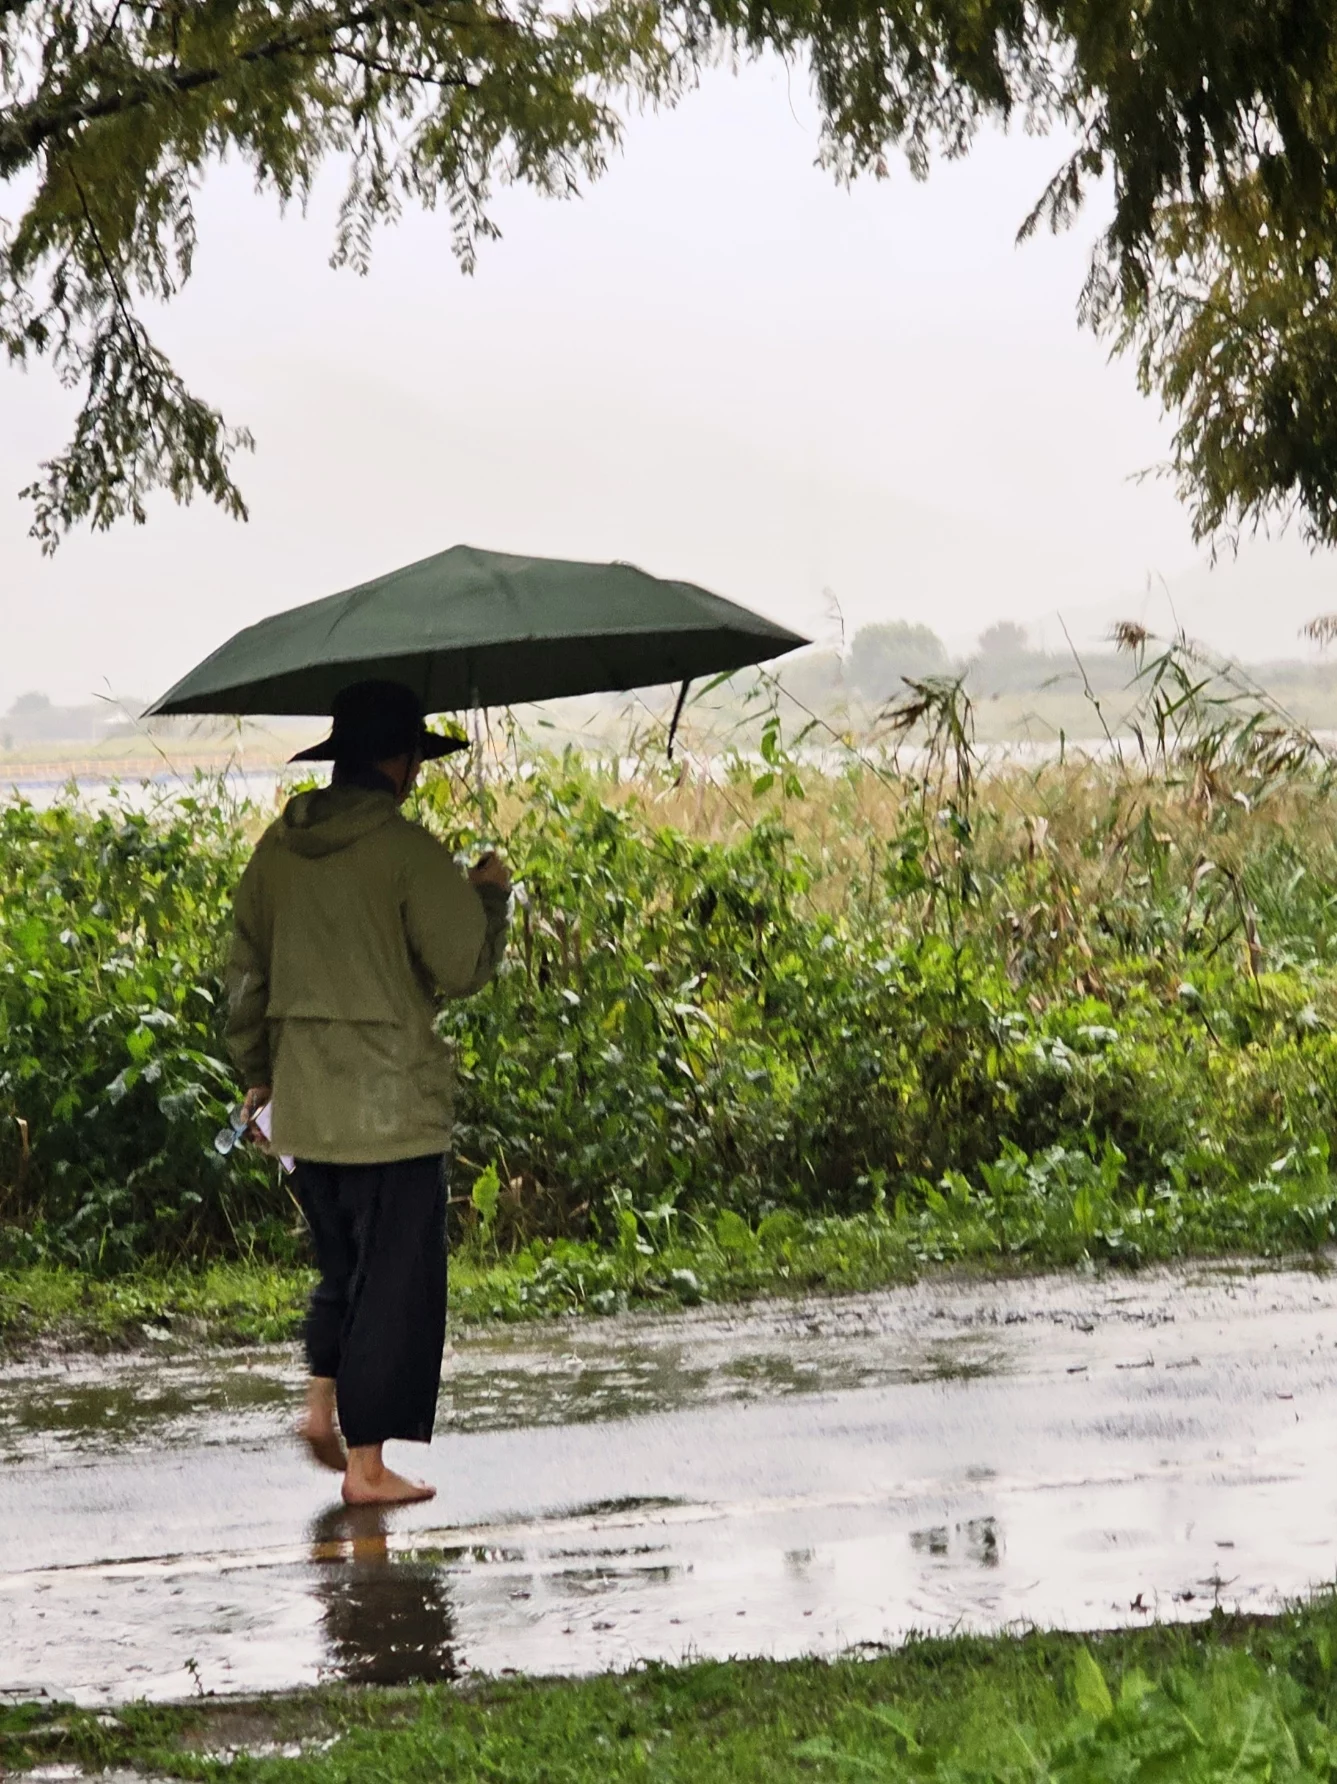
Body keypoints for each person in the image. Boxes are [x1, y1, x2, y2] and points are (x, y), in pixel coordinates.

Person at [224, 679, 510, 1506]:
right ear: (401, 761)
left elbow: (243, 976)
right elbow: (460, 969)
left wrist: (257, 1075)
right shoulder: (406, 852)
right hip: (393, 1118)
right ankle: (367, 1466)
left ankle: (322, 1405)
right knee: (393, 1286)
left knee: (342, 1268)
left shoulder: (278, 850)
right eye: (416, 757)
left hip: (306, 1111)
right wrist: (488, 898)